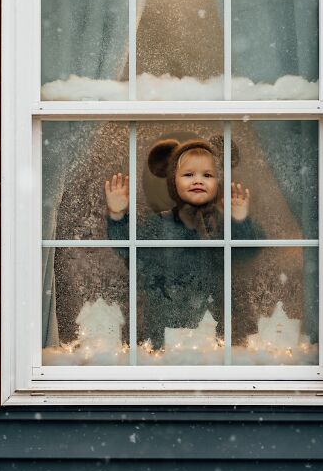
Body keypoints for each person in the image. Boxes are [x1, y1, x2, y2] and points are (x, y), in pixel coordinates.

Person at [104, 136, 261, 351]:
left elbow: (247, 254)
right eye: (188, 175)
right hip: (164, 334)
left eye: (207, 175)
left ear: (218, 182)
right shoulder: (160, 224)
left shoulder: (223, 224)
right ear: (172, 181)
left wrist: (240, 221)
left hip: (216, 333)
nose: (198, 180)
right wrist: (118, 215)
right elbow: (127, 247)